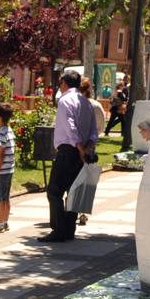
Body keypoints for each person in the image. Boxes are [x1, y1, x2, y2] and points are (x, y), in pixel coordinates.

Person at [43, 70, 98, 243]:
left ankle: (59, 230)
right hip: (81, 152)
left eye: (60, 83)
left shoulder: (65, 100)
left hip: (69, 150)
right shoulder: (86, 102)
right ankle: (69, 229)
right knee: (74, 191)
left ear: (64, 83)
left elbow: (70, 127)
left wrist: (81, 148)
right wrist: (87, 148)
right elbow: (93, 131)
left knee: (54, 191)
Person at [0, 102, 16, 233]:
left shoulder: (1, 133)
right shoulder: (9, 130)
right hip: (9, 169)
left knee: (0, 198)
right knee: (6, 198)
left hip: (2, 170)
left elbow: (1, 154)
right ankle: (5, 222)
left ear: (0, 116)